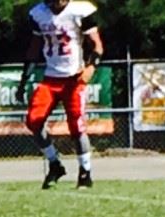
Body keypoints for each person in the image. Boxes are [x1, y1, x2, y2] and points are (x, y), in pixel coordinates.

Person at [15, 0, 103, 189]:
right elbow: (34, 47)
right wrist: (23, 80)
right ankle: (55, 164)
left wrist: (91, 67)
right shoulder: (38, 13)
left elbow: (97, 45)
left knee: (77, 126)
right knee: (34, 121)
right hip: (51, 77)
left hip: (74, 78)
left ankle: (85, 172)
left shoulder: (80, 10)